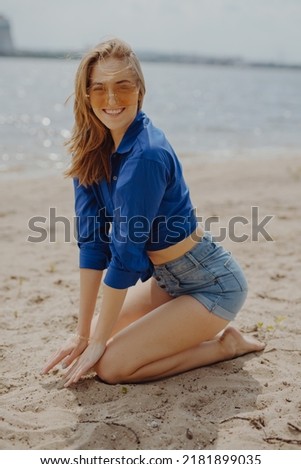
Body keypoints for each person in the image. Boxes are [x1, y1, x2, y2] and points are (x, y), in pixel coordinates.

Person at [42, 38, 264, 387]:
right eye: (99, 88)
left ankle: (224, 345)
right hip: (166, 280)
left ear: (140, 91)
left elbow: (125, 256)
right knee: (101, 334)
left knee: (111, 366)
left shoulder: (146, 155)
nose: (111, 100)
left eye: (122, 86)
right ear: (86, 95)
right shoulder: (91, 150)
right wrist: (82, 335)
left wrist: (97, 343)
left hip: (211, 285)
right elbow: (92, 244)